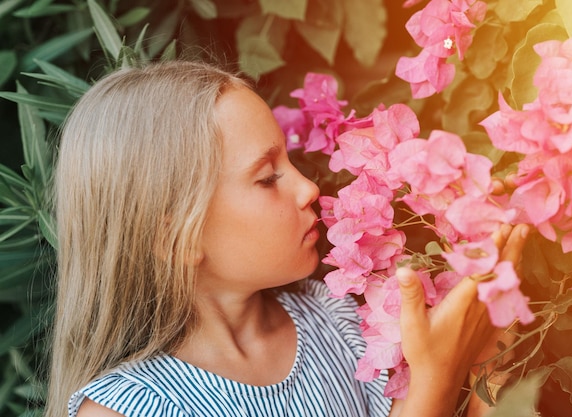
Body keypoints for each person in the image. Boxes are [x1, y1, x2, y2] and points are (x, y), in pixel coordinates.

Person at [45, 60, 528, 417]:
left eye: (290, 163)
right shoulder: (131, 410)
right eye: (267, 177)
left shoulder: (335, 320)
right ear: (176, 237)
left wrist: (483, 361)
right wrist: (436, 379)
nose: (309, 188)